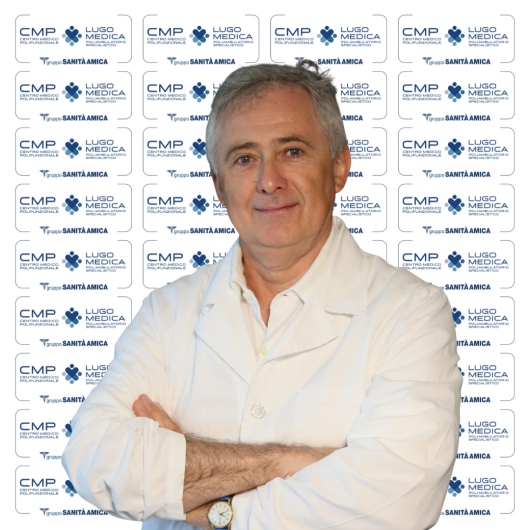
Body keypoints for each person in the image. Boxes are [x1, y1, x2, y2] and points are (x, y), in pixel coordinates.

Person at [62, 60, 462, 529]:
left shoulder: (411, 311)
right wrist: (284, 462)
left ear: (339, 167)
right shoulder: (167, 310)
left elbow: (395, 502)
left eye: (292, 151)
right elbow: (96, 457)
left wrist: (210, 502)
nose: (269, 181)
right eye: (244, 159)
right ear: (219, 186)